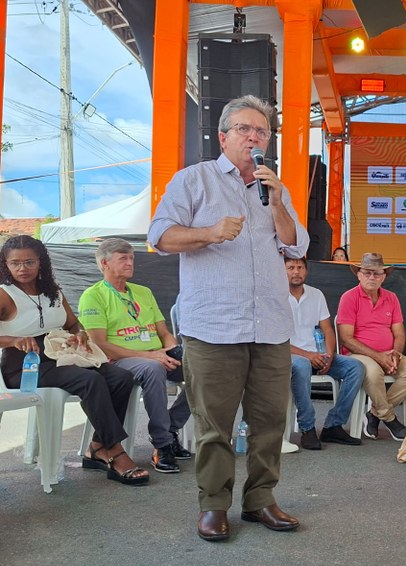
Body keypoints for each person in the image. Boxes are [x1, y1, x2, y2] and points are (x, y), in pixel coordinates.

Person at [148, 95, 309, 541]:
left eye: (261, 131)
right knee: (214, 423)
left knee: (271, 421)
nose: (254, 137)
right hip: (214, 325)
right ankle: (214, 505)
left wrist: (277, 202)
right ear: (223, 136)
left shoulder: (274, 187)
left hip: (271, 325)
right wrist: (209, 233)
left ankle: (261, 500)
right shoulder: (193, 180)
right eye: (244, 129)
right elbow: (159, 235)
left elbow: (296, 247)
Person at [0, 235, 148, 485]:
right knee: (89, 380)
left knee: (122, 377)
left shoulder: (53, 292)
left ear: (41, 263)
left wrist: (79, 334)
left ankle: (99, 445)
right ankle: (115, 451)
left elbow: (72, 323)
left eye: (29, 262)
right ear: (5, 264)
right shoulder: (4, 294)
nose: (22, 269)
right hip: (25, 365)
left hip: (61, 355)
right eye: (15, 263)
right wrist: (13, 340)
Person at [78, 238, 192, 474]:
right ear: (104, 264)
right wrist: (151, 356)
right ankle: (161, 445)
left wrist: (171, 349)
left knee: (201, 368)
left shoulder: (143, 292)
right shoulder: (93, 295)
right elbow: (100, 344)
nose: (130, 263)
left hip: (155, 354)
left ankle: (171, 428)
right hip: (119, 360)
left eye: (131, 258)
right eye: (123, 258)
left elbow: (163, 331)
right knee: (153, 369)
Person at [337, 253, 406, 441]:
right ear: (358, 274)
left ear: (384, 277)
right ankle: (390, 419)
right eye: (367, 273)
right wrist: (378, 356)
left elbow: (399, 333)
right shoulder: (349, 298)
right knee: (374, 372)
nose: (372, 277)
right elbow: (346, 339)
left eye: (376, 274)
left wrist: (396, 354)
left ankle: (374, 414)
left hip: (389, 353)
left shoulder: (391, 298)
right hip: (357, 353)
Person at [285, 256, 364, 449]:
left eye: (300, 267)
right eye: (291, 268)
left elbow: (328, 329)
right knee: (302, 365)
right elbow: (277, 340)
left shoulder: (316, 294)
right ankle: (307, 427)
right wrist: (308, 355)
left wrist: (329, 355)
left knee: (356, 367)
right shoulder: (276, 296)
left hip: (319, 355)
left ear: (306, 271)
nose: (296, 272)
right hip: (291, 356)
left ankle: (333, 425)